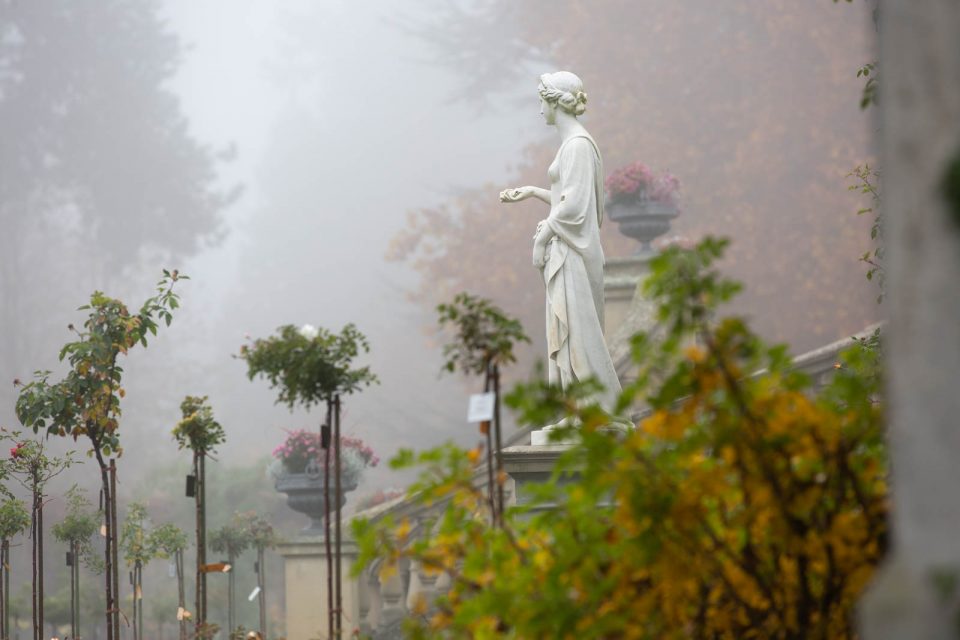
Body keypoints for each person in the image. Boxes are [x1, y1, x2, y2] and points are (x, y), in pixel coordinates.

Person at [500, 71, 623, 417]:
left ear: (555, 101)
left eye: (542, 100)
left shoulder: (578, 146)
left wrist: (541, 239)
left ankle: (592, 412)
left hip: (573, 256)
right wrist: (533, 192)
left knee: (580, 339)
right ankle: (576, 411)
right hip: (568, 251)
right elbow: (567, 197)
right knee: (571, 339)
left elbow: (573, 207)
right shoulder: (574, 145)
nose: (540, 110)